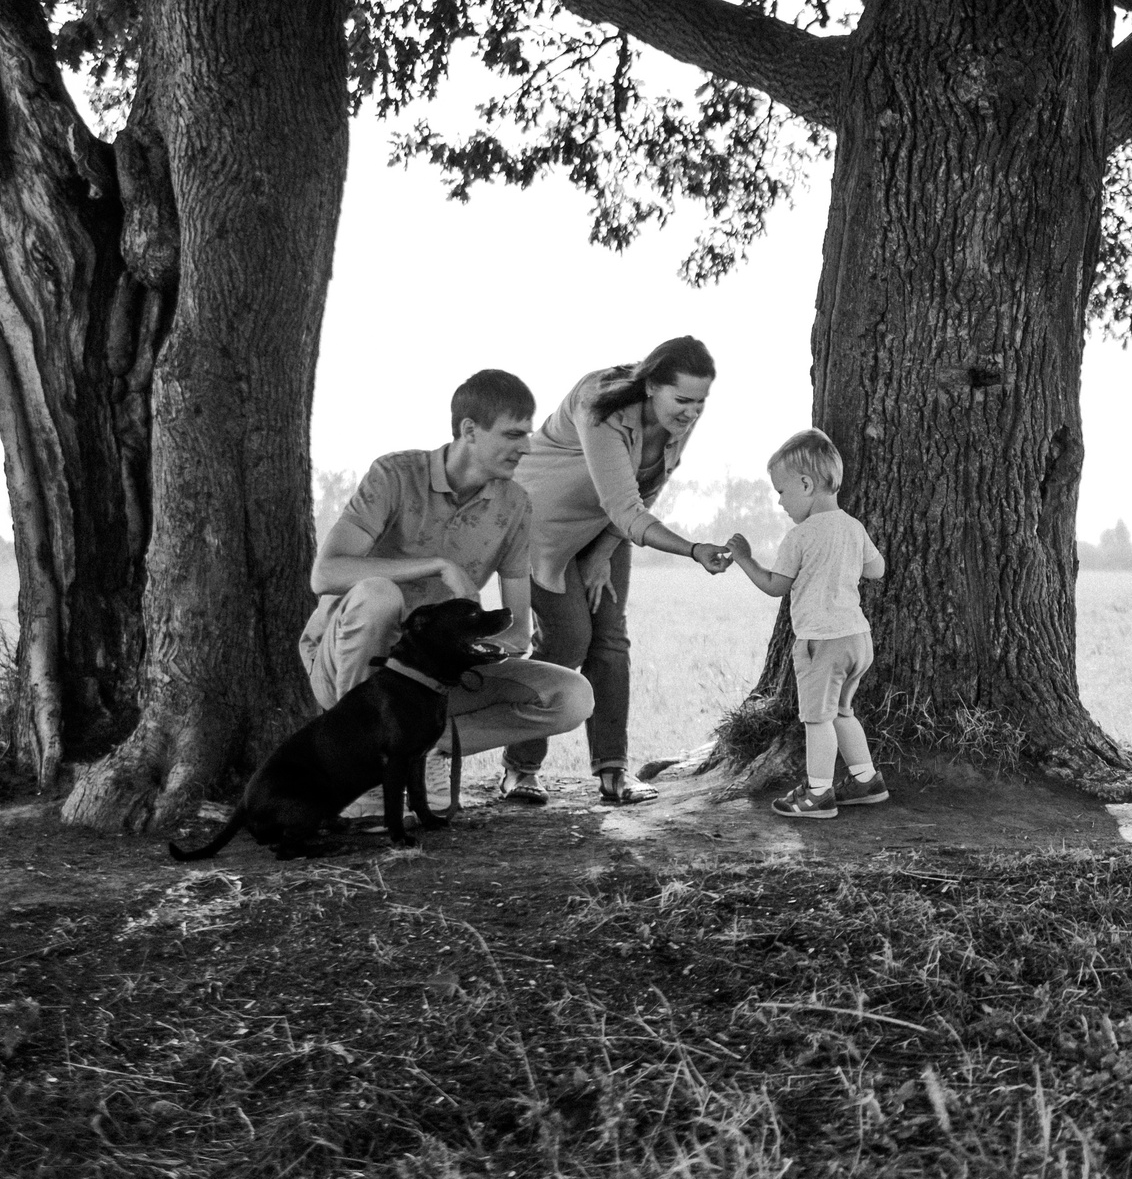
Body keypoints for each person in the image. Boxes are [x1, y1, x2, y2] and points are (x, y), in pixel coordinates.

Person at [301, 370, 591, 787]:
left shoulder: (515, 505)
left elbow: (517, 631)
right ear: (469, 430)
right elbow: (325, 573)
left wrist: (467, 649)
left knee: (571, 696)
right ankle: (358, 754)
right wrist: (437, 565)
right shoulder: (395, 474)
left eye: (527, 434)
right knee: (379, 595)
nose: (526, 447)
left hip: (429, 678)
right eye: (513, 434)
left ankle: (422, 747)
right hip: (347, 666)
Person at [511, 336, 735, 805]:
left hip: (605, 527)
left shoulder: (676, 418)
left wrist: (602, 552)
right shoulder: (600, 404)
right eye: (683, 400)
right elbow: (626, 506)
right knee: (568, 640)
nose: (692, 412)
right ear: (651, 385)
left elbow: (647, 488)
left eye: (701, 402)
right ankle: (520, 768)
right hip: (542, 524)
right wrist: (694, 549)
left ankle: (613, 771)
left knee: (610, 638)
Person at [725, 427, 888, 819]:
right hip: (858, 640)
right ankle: (866, 780)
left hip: (822, 642)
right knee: (843, 711)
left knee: (818, 720)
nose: (779, 501)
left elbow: (775, 586)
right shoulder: (853, 526)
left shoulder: (800, 536)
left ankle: (818, 793)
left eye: (781, 491)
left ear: (805, 484)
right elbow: (877, 570)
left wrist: (744, 559)